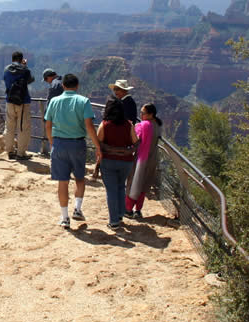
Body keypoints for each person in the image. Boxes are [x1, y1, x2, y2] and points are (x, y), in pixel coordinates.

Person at [44, 73, 102, 229]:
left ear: (63, 85)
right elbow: (89, 126)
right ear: (77, 86)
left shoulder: (54, 101)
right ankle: (77, 209)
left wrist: (51, 142)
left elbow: (48, 125)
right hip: (77, 144)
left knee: (62, 182)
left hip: (59, 144)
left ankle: (65, 218)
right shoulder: (83, 101)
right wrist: (97, 146)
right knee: (79, 178)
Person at [96, 98, 138, 229]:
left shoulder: (105, 124)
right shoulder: (129, 124)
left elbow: (98, 143)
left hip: (108, 161)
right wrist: (125, 150)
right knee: (121, 186)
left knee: (111, 190)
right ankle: (120, 214)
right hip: (126, 162)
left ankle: (114, 221)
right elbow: (135, 142)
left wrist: (109, 150)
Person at [126, 103, 162, 219]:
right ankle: (138, 210)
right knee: (144, 184)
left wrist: (132, 128)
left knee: (133, 181)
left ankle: (128, 209)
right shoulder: (157, 125)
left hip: (140, 159)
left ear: (150, 114)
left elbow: (135, 141)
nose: (140, 115)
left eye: (143, 113)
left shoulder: (143, 125)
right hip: (152, 159)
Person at [3, 51, 34, 160]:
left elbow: (5, 80)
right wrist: (24, 66)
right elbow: (30, 80)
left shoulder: (6, 69)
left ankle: (10, 151)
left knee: (9, 127)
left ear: (12, 59)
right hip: (23, 102)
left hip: (10, 101)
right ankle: (21, 153)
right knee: (22, 128)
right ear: (21, 59)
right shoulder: (25, 70)